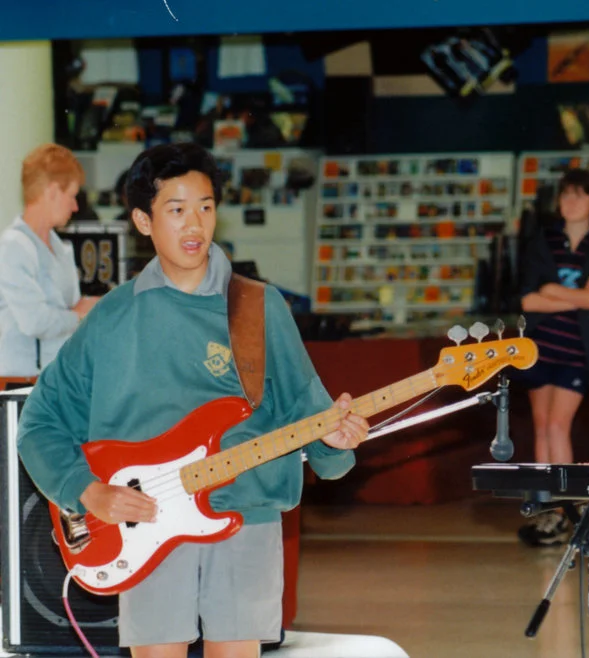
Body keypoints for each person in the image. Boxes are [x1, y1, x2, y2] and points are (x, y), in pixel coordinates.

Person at [16, 142, 369, 658]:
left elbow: (314, 425)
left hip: (245, 519)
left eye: (205, 207)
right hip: (148, 523)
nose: (194, 225)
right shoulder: (112, 319)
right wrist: (88, 492)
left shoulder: (258, 307)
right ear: (143, 220)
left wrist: (337, 441)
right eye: (176, 210)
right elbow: (40, 423)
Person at [516, 168, 589, 547]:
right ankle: (547, 513)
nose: (569, 203)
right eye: (565, 196)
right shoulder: (545, 240)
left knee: (559, 425)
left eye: (578, 195)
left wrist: (553, 290)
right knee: (542, 427)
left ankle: (566, 512)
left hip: (578, 348)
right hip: (541, 345)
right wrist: (577, 296)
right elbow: (528, 299)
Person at [0, 143, 100, 377]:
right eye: (72, 196)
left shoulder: (59, 247)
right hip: (20, 385)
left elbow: (64, 314)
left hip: (56, 378)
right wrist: (80, 314)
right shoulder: (13, 246)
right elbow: (34, 321)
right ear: (53, 191)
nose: (75, 207)